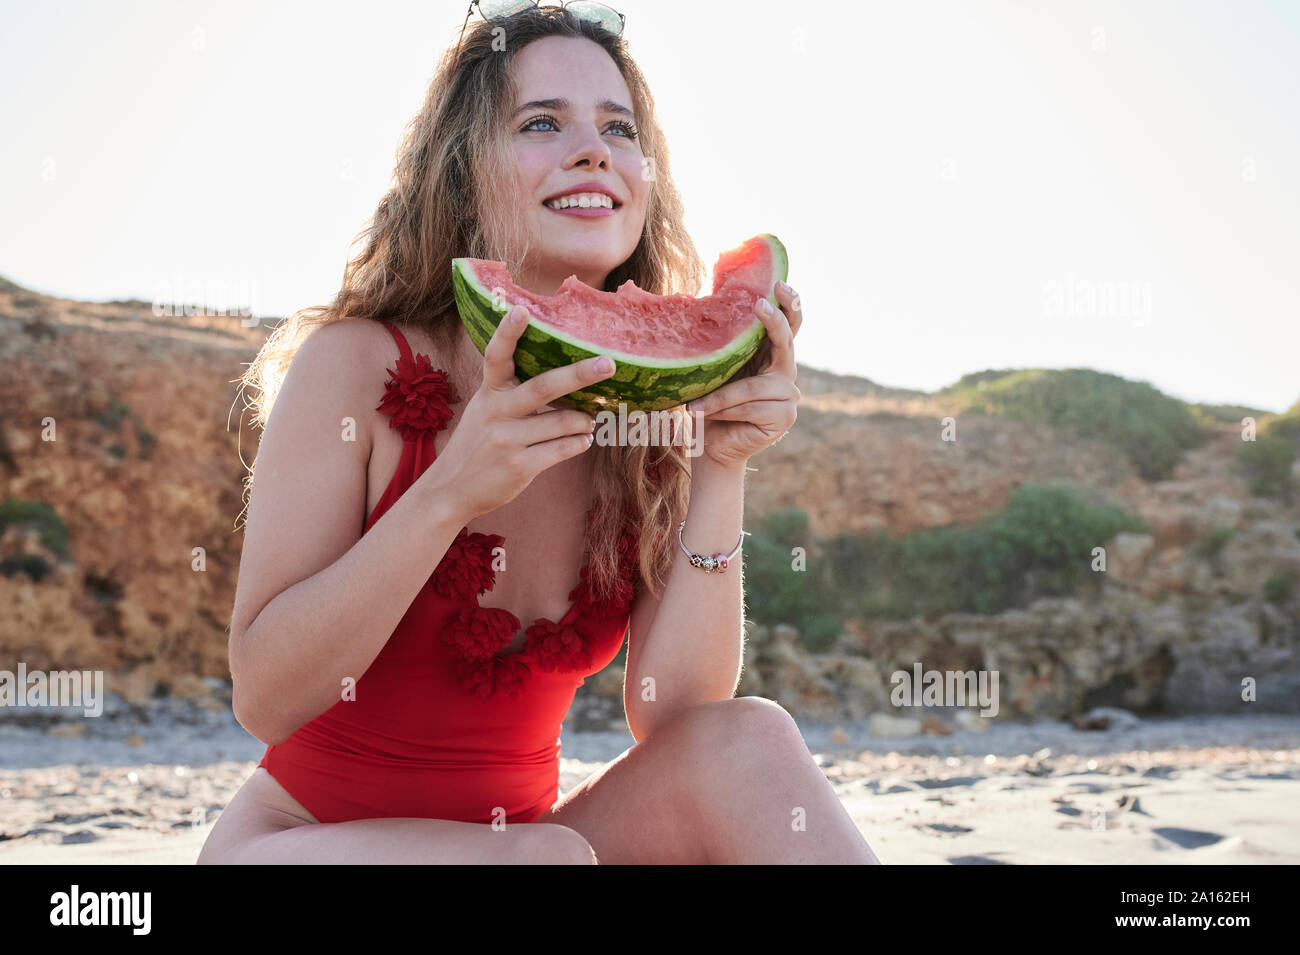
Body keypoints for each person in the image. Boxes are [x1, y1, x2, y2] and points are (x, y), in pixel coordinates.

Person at [198, 5, 878, 864]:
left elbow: (676, 714)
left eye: (619, 128)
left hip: (526, 845)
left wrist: (720, 466)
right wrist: (448, 492)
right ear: (464, 169)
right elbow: (264, 695)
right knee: (546, 859)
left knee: (752, 738)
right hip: (302, 845)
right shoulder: (355, 364)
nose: (594, 149)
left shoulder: (645, 409)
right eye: (542, 121)